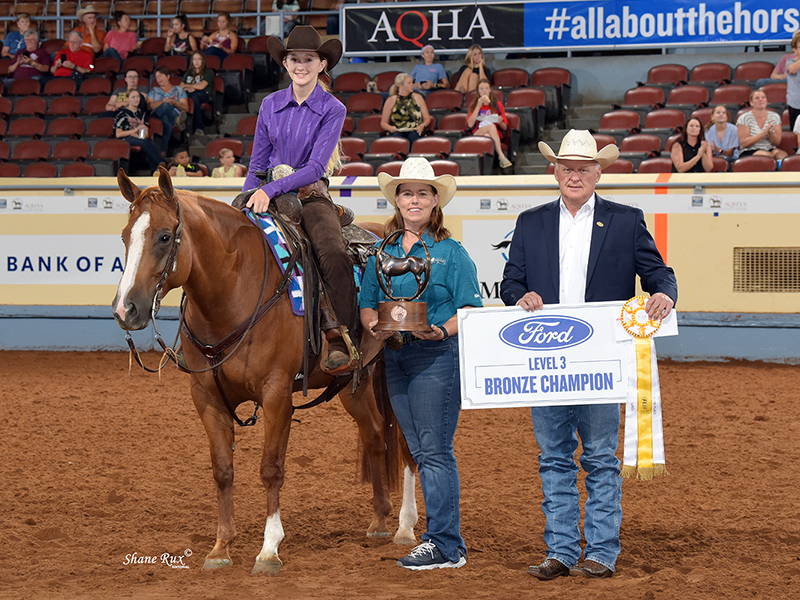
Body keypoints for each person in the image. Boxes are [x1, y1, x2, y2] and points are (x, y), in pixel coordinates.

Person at [500, 130, 677, 581]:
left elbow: (659, 272)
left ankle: (601, 550)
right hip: (549, 359)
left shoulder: (626, 219)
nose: (574, 175)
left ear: (599, 172)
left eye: (583, 168)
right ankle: (560, 550)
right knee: (554, 456)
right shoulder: (530, 222)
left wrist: (664, 295)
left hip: (601, 359)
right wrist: (522, 297)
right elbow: (510, 284)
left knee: (599, 456)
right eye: (567, 167)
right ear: (553, 171)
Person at [359, 156, 482, 571]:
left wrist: (442, 331)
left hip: (435, 358)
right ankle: (444, 542)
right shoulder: (381, 251)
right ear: (397, 200)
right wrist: (374, 326)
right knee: (419, 448)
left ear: (435, 201)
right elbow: (366, 305)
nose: (414, 200)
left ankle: (446, 545)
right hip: (396, 358)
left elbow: (468, 309)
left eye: (422, 193)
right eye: (407, 193)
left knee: (434, 451)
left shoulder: (453, 253)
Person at [243, 26, 357, 375]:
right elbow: (257, 163)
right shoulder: (270, 104)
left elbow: (315, 168)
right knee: (224, 241)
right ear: (286, 63)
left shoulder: (333, 108)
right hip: (266, 193)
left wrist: (269, 190)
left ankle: (340, 336)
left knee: (332, 252)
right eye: (295, 59)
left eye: (309, 59)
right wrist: (248, 195)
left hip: (309, 196)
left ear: (322, 64)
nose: (301, 65)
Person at [115, 89, 164, 175]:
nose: (136, 99)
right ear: (127, 99)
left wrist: (139, 136)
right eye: (133, 97)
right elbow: (118, 134)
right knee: (145, 142)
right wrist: (133, 131)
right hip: (125, 139)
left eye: (137, 97)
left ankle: (155, 171)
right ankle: (161, 164)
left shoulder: (142, 114)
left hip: (139, 139)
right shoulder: (122, 114)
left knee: (149, 142)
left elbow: (146, 134)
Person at [466, 78, 512, 169]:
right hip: (478, 133)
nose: (484, 91)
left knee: (487, 135)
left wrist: (500, 121)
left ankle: (486, 168)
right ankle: (501, 156)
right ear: (478, 91)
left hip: (493, 135)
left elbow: (504, 127)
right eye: (481, 89)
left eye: (486, 88)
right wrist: (478, 105)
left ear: (490, 90)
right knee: (490, 127)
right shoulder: (473, 105)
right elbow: (470, 124)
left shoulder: (497, 105)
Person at [147, 65, 189, 155]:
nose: (158, 79)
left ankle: (163, 151)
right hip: (156, 115)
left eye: (161, 76)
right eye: (157, 77)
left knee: (166, 121)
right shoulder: (154, 90)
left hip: (170, 114)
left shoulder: (178, 90)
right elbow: (149, 106)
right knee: (165, 105)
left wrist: (175, 103)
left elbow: (186, 108)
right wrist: (162, 101)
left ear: (168, 76)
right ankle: (177, 120)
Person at [736, 88, 787, 160]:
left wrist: (771, 134)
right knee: (767, 156)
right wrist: (763, 134)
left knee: (782, 155)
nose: (761, 99)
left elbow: (777, 142)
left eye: (763, 97)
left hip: (769, 149)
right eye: (757, 98)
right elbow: (744, 143)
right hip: (749, 150)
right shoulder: (744, 118)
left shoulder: (774, 117)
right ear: (751, 103)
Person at [380, 73, 431, 144]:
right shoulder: (391, 100)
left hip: (415, 130)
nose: (412, 85)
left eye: (412, 82)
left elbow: (427, 118)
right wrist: (391, 128)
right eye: (409, 83)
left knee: (414, 137)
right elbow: (383, 123)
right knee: (397, 139)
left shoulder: (418, 97)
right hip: (397, 131)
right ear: (400, 85)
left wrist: (422, 126)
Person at [181, 51, 214, 136]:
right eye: (194, 59)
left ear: (203, 61)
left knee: (194, 98)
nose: (196, 61)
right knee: (183, 98)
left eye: (199, 59)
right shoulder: (188, 73)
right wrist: (191, 87)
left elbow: (201, 86)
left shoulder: (208, 72)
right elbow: (181, 86)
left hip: (203, 94)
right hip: (190, 93)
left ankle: (199, 127)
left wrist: (189, 87)